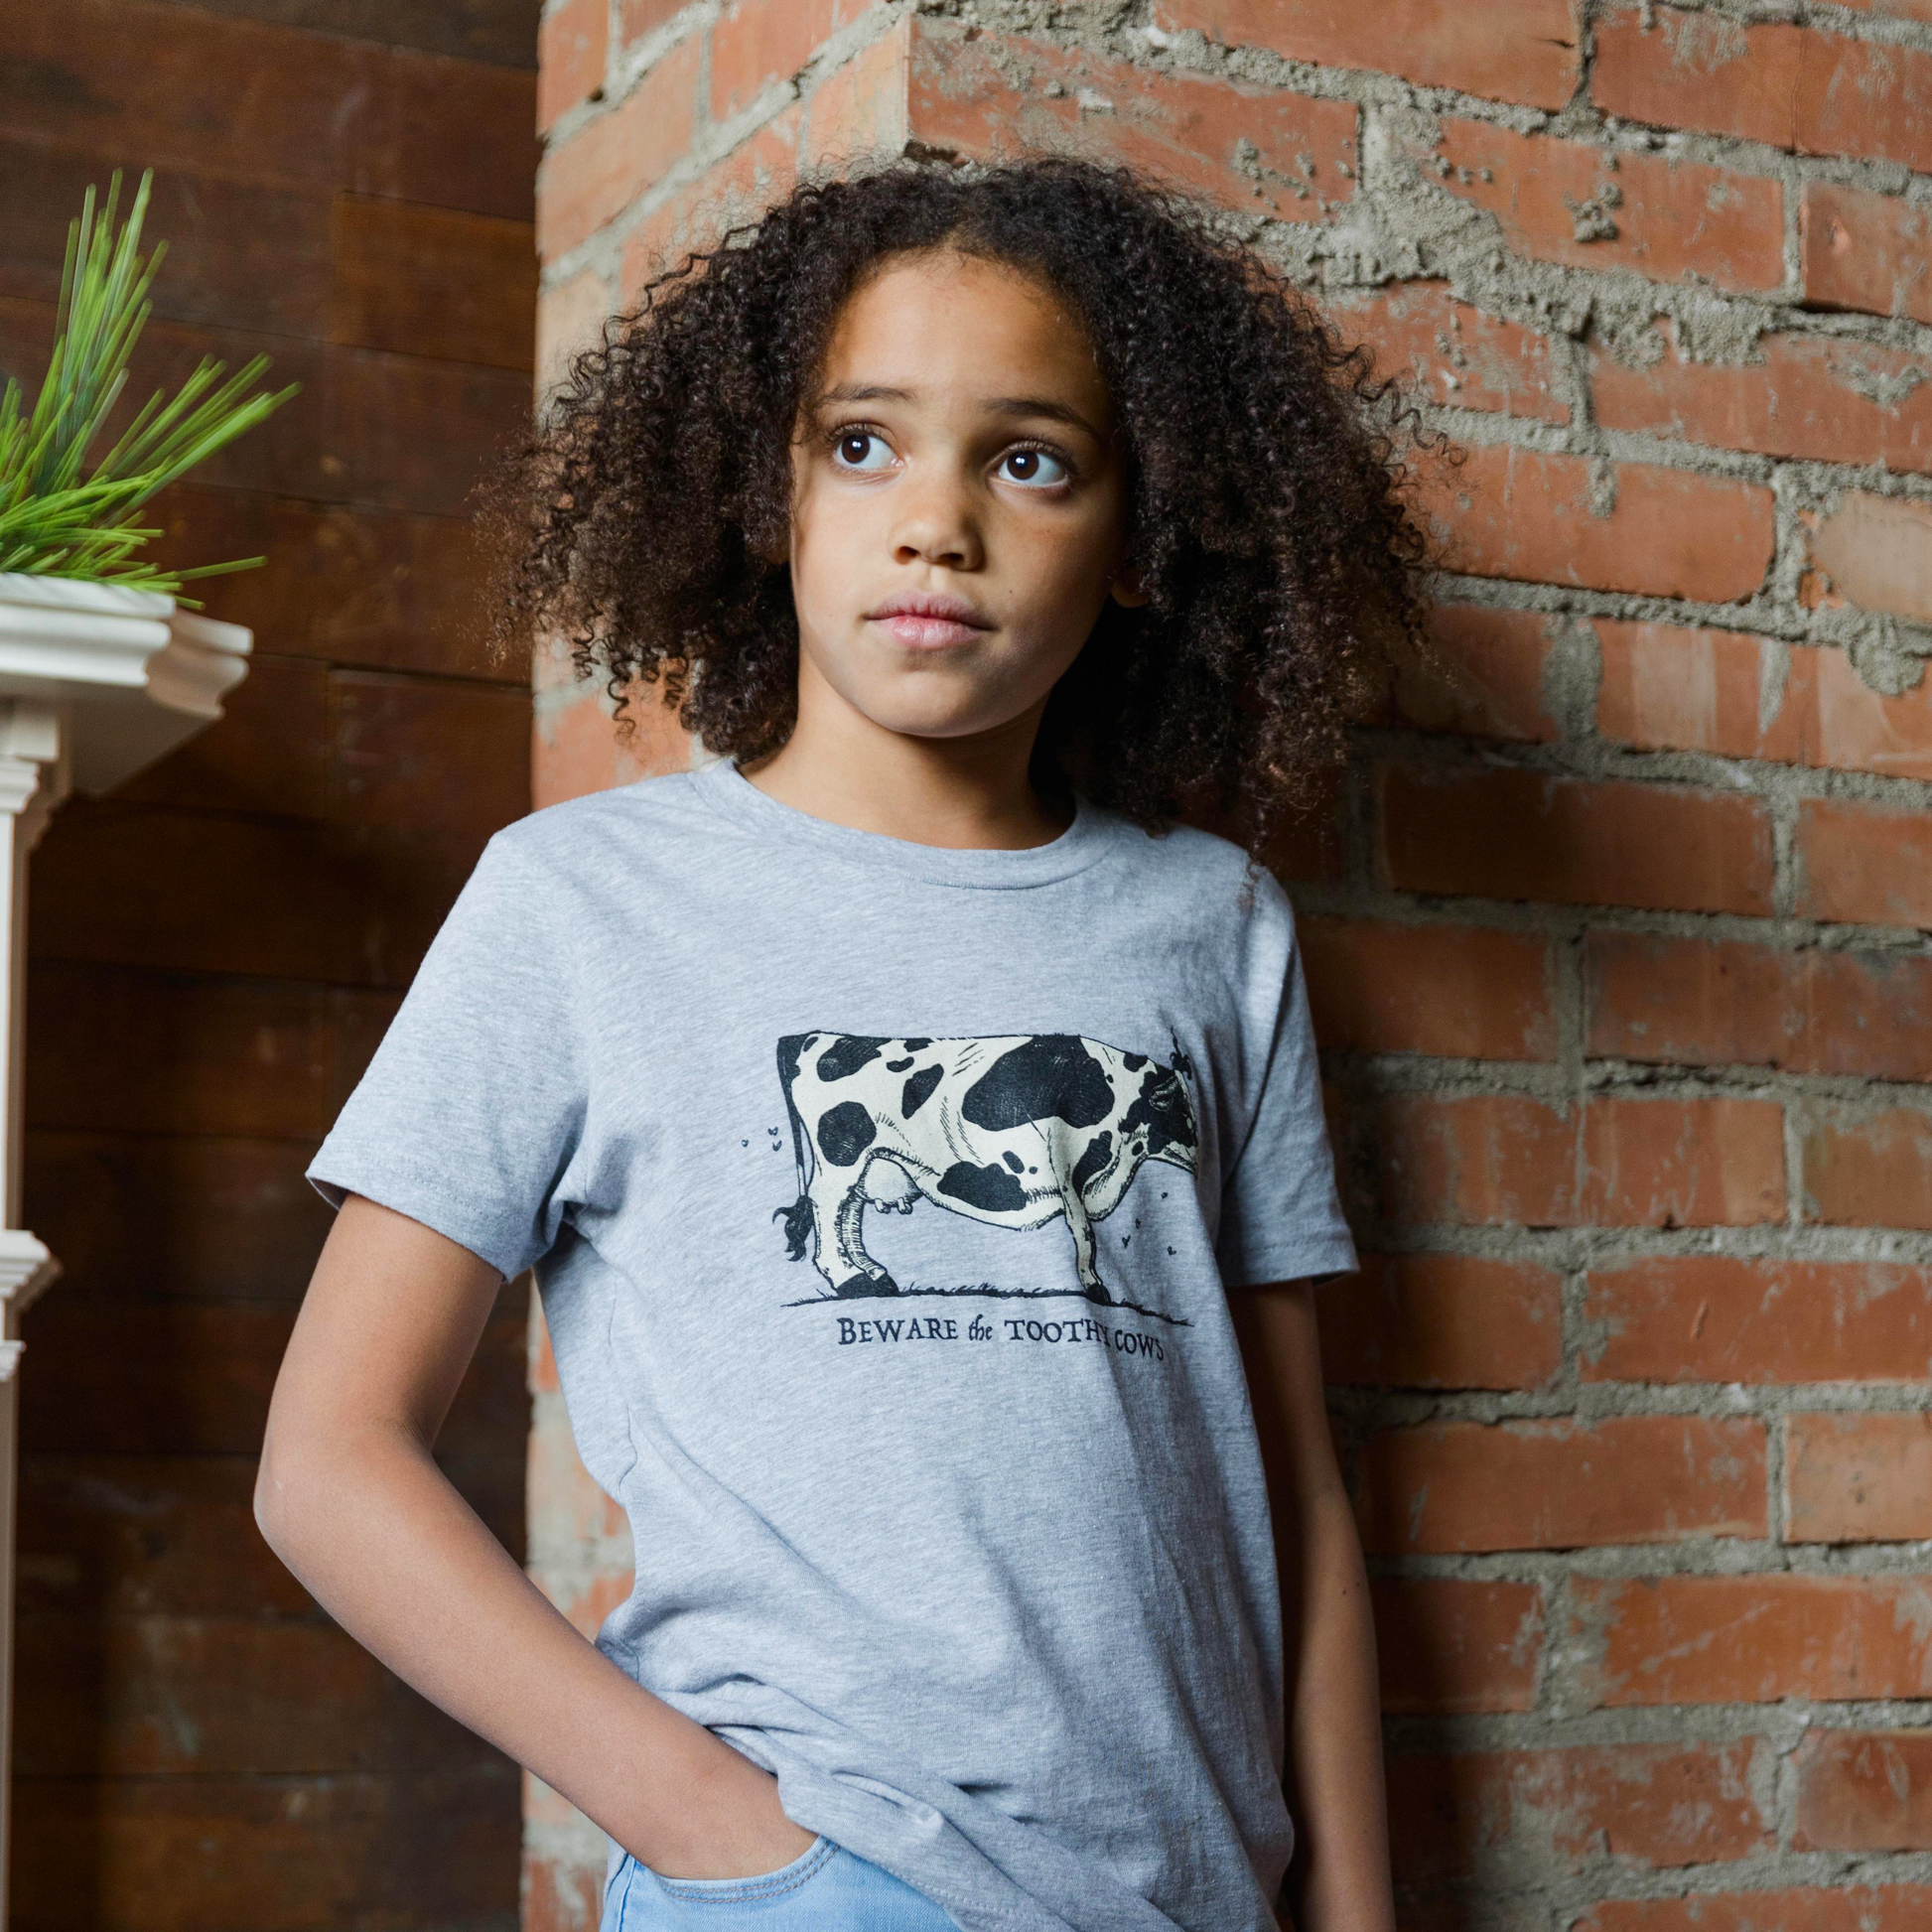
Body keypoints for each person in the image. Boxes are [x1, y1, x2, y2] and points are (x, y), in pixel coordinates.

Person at [255, 157, 1442, 1932]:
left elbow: (1291, 1485)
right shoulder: (581, 901)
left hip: (1196, 1893)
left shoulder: (1212, 927)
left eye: (1029, 461)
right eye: (864, 444)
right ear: (769, 499)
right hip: (820, 1877)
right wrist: (723, 1831)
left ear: (1136, 542)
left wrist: (1346, 1915)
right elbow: (329, 1459)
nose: (935, 523)